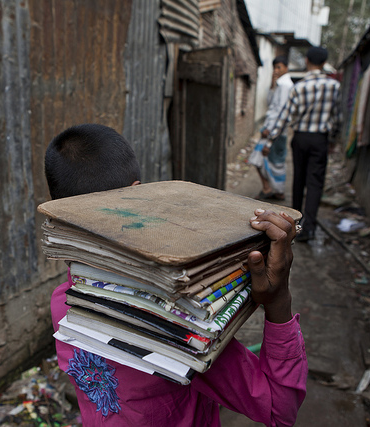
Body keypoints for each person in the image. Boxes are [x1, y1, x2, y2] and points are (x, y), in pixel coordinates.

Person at [45, 123, 308, 426]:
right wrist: (278, 301)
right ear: (136, 193)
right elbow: (279, 408)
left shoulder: (62, 302)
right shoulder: (178, 330)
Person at [264, 47, 342, 243]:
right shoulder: (334, 86)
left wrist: (270, 139)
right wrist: (332, 139)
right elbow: (338, 117)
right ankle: (309, 229)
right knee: (315, 182)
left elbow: (284, 116)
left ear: (306, 61)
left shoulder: (298, 87)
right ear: (324, 63)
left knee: (299, 178)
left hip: (300, 138)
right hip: (319, 139)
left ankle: (295, 224)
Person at [255, 55, 294, 201]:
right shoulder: (278, 84)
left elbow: (282, 112)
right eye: (274, 67)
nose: (276, 70)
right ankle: (271, 188)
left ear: (286, 68)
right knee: (264, 160)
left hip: (275, 131)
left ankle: (275, 190)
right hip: (271, 129)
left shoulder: (285, 85)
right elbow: (271, 104)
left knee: (275, 161)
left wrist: (271, 134)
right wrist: (272, 85)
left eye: (279, 67)